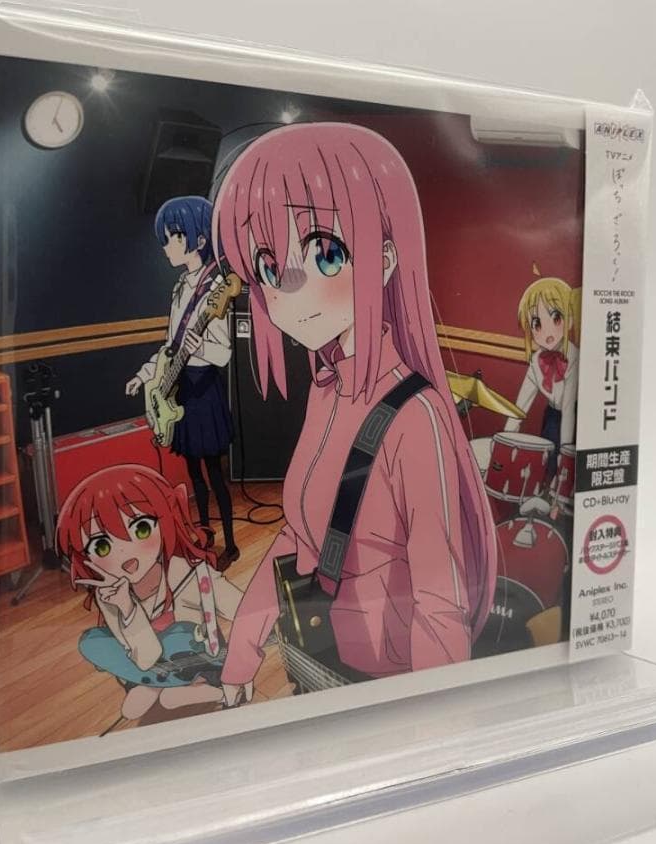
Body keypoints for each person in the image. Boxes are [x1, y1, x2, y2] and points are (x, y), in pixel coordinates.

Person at [211, 122, 497, 706]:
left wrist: (434, 725)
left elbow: (440, 600)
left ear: (385, 258)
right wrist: (240, 658)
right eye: (269, 267)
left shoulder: (414, 414)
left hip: (385, 693)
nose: (290, 291)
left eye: (326, 254)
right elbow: (298, 537)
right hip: (319, 669)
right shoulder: (326, 388)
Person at [55, 464, 243, 721]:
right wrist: (127, 607)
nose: (125, 553)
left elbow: (240, 607)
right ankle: (159, 685)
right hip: (150, 660)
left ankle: (217, 692)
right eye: (101, 547)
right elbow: (146, 658)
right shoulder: (109, 596)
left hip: (197, 659)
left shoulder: (190, 572)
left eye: (141, 529)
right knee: (127, 701)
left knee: (169, 691)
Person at [126, 195, 239, 568]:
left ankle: (231, 544)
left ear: (199, 239)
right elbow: (170, 347)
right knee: (194, 474)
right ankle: (205, 536)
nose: (166, 246)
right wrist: (144, 375)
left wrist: (200, 345)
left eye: (173, 236)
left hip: (204, 388)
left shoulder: (215, 289)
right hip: (180, 392)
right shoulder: (180, 288)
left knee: (215, 474)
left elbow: (222, 354)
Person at [503, 275, 581, 477]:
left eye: (556, 318)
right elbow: (519, 409)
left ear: (569, 318)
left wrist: (566, 455)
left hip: (579, 418)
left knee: (568, 473)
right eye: (537, 324)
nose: (547, 331)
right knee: (548, 468)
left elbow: (569, 410)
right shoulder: (537, 361)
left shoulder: (574, 357)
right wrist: (504, 443)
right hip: (553, 417)